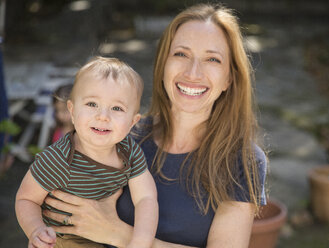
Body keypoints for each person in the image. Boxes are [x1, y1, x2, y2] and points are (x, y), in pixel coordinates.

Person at [41, 3, 267, 247]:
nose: (193, 72)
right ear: (162, 65)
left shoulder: (243, 160)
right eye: (181, 54)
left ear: (229, 78)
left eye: (212, 59)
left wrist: (117, 233)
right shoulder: (120, 135)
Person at [15, 56, 158, 248]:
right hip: (63, 239)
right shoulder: (58, 159)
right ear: (72, 111)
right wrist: (36, 230)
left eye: (117, 108)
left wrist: (141, 241)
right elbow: (26, 199)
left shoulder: (129, 151)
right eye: (92, 104)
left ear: (133, 121)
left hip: (106, 238)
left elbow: (146, 198)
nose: (103, 116)